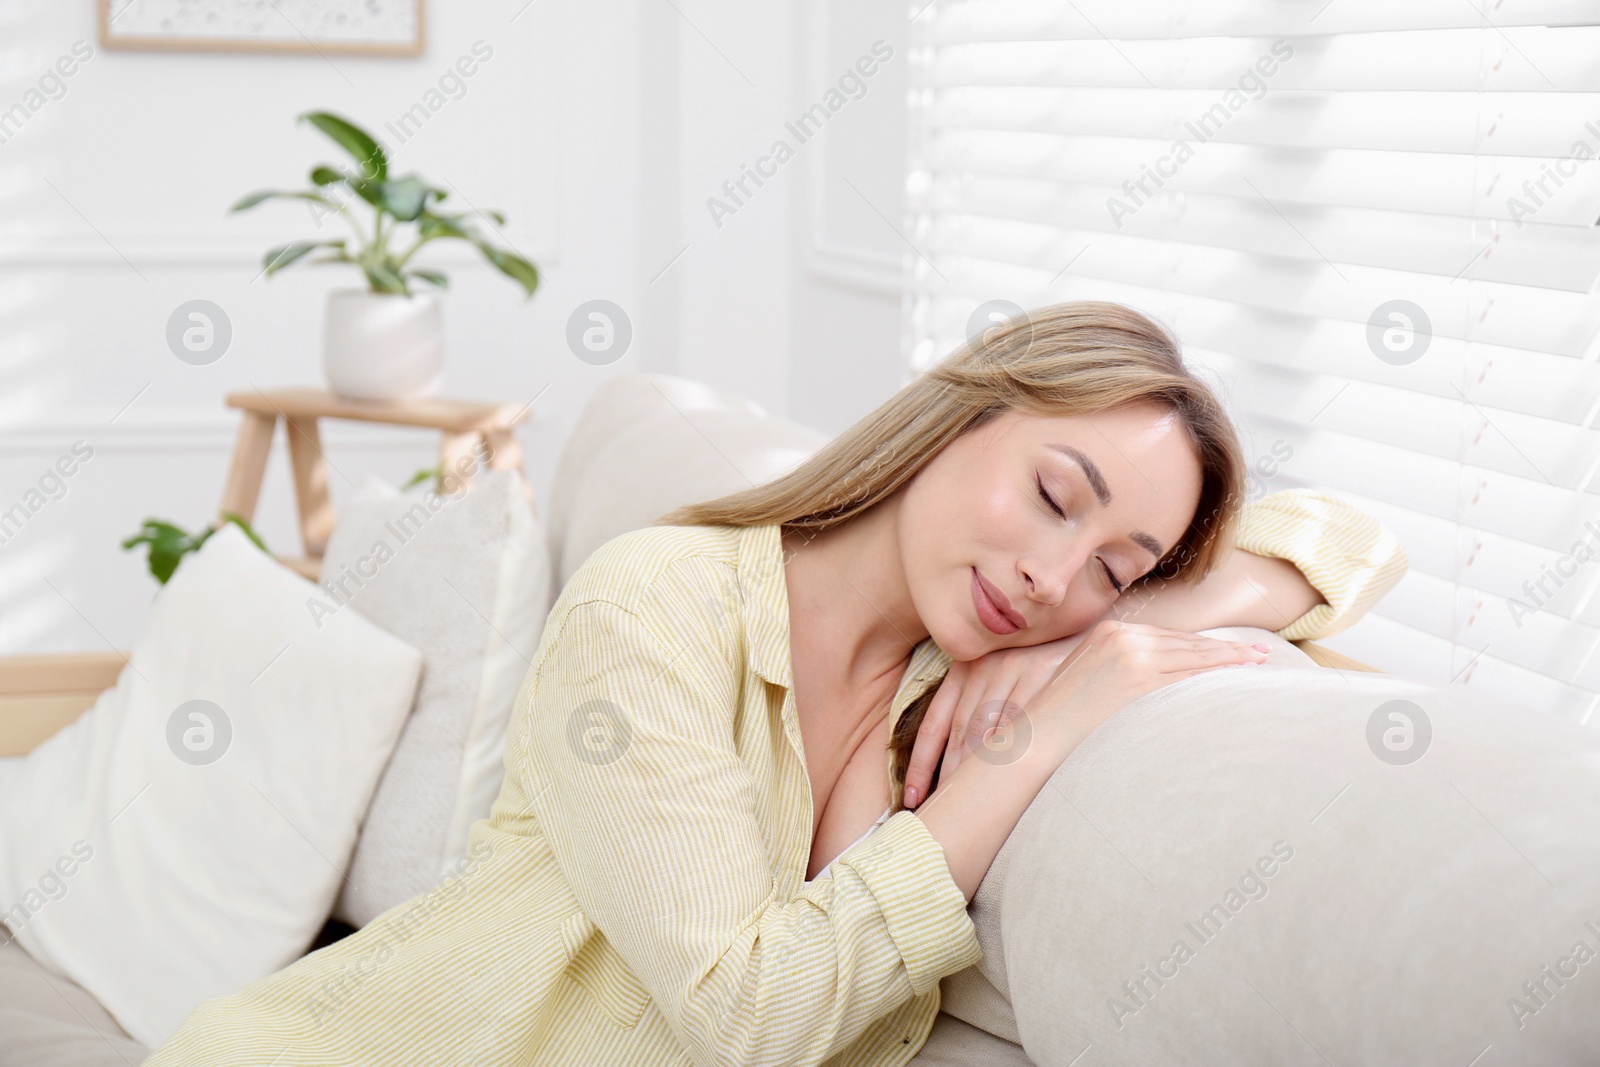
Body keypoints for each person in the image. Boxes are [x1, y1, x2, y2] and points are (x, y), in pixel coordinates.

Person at [143, 301, 1404, 1066]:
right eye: (1051, 496)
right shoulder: (656, 606)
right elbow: (753, 1021)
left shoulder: (950, 675)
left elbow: (1358, 537)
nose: (1050, 574)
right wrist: (1050, 721)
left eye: (1113, 568)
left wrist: (1101, 633)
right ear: (956, 420)